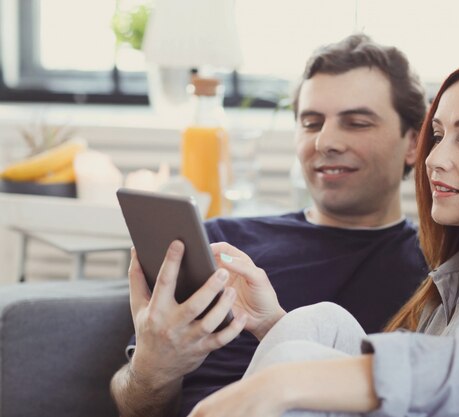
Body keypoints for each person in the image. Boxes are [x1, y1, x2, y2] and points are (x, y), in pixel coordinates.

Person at [185, 55, 459, 417]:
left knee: (297, 363)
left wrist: (284, 381)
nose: (435, 159)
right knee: (318, 322)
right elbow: (411, 390)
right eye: (438, 136)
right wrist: (272, 326)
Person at [110, 34, 430, 417]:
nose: (325, 141)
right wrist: (150, 370)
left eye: (357, 123)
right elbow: (131, 403)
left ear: (414, 142)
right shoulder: (221, 244)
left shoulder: (436, 269)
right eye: (311, 123)